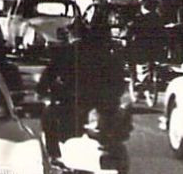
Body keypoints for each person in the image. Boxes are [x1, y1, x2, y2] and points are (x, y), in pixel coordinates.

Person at [36, 17, 127, 160]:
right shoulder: (104, 54)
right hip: (101, 102)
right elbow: (119, 80)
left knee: (49, 115)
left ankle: (54, 155)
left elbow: (48, 76)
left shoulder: (64, 53)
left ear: (70, 34)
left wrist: (42, 92)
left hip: (71, 102)